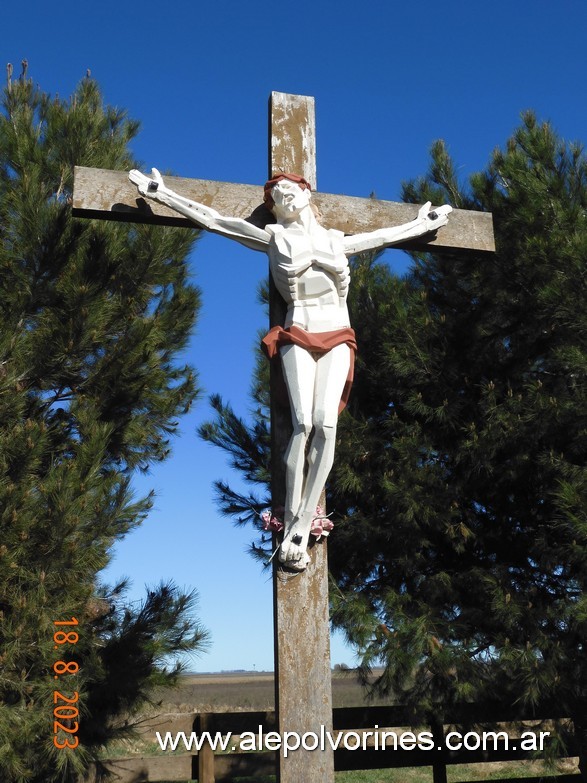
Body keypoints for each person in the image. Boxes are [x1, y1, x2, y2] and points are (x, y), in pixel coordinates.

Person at [129, 168, 451, 570]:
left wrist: (422, 224)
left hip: (337, 332)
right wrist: (163, 195)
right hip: (297, 331)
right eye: (276, 196)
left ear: (306, 193)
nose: (283, 197)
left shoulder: (336, 240)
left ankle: (302, 521)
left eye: (289, 190)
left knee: (326, 424)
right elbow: (215, 221)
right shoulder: (274, 239)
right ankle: (293, 521)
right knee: (303, 424)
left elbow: (385, 236)